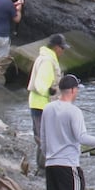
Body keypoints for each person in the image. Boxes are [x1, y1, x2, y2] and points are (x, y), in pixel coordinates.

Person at [27, 33, 69, 173]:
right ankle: (44, 170)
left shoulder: (46, 58)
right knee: (46, 139)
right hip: (42, 106)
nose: (63, 51)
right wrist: (50, 92)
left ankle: (42, 169)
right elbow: (40, 84)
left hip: (40, 105)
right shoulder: (47, 61)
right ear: (57, 47)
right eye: (63, 48)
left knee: (43, 139)